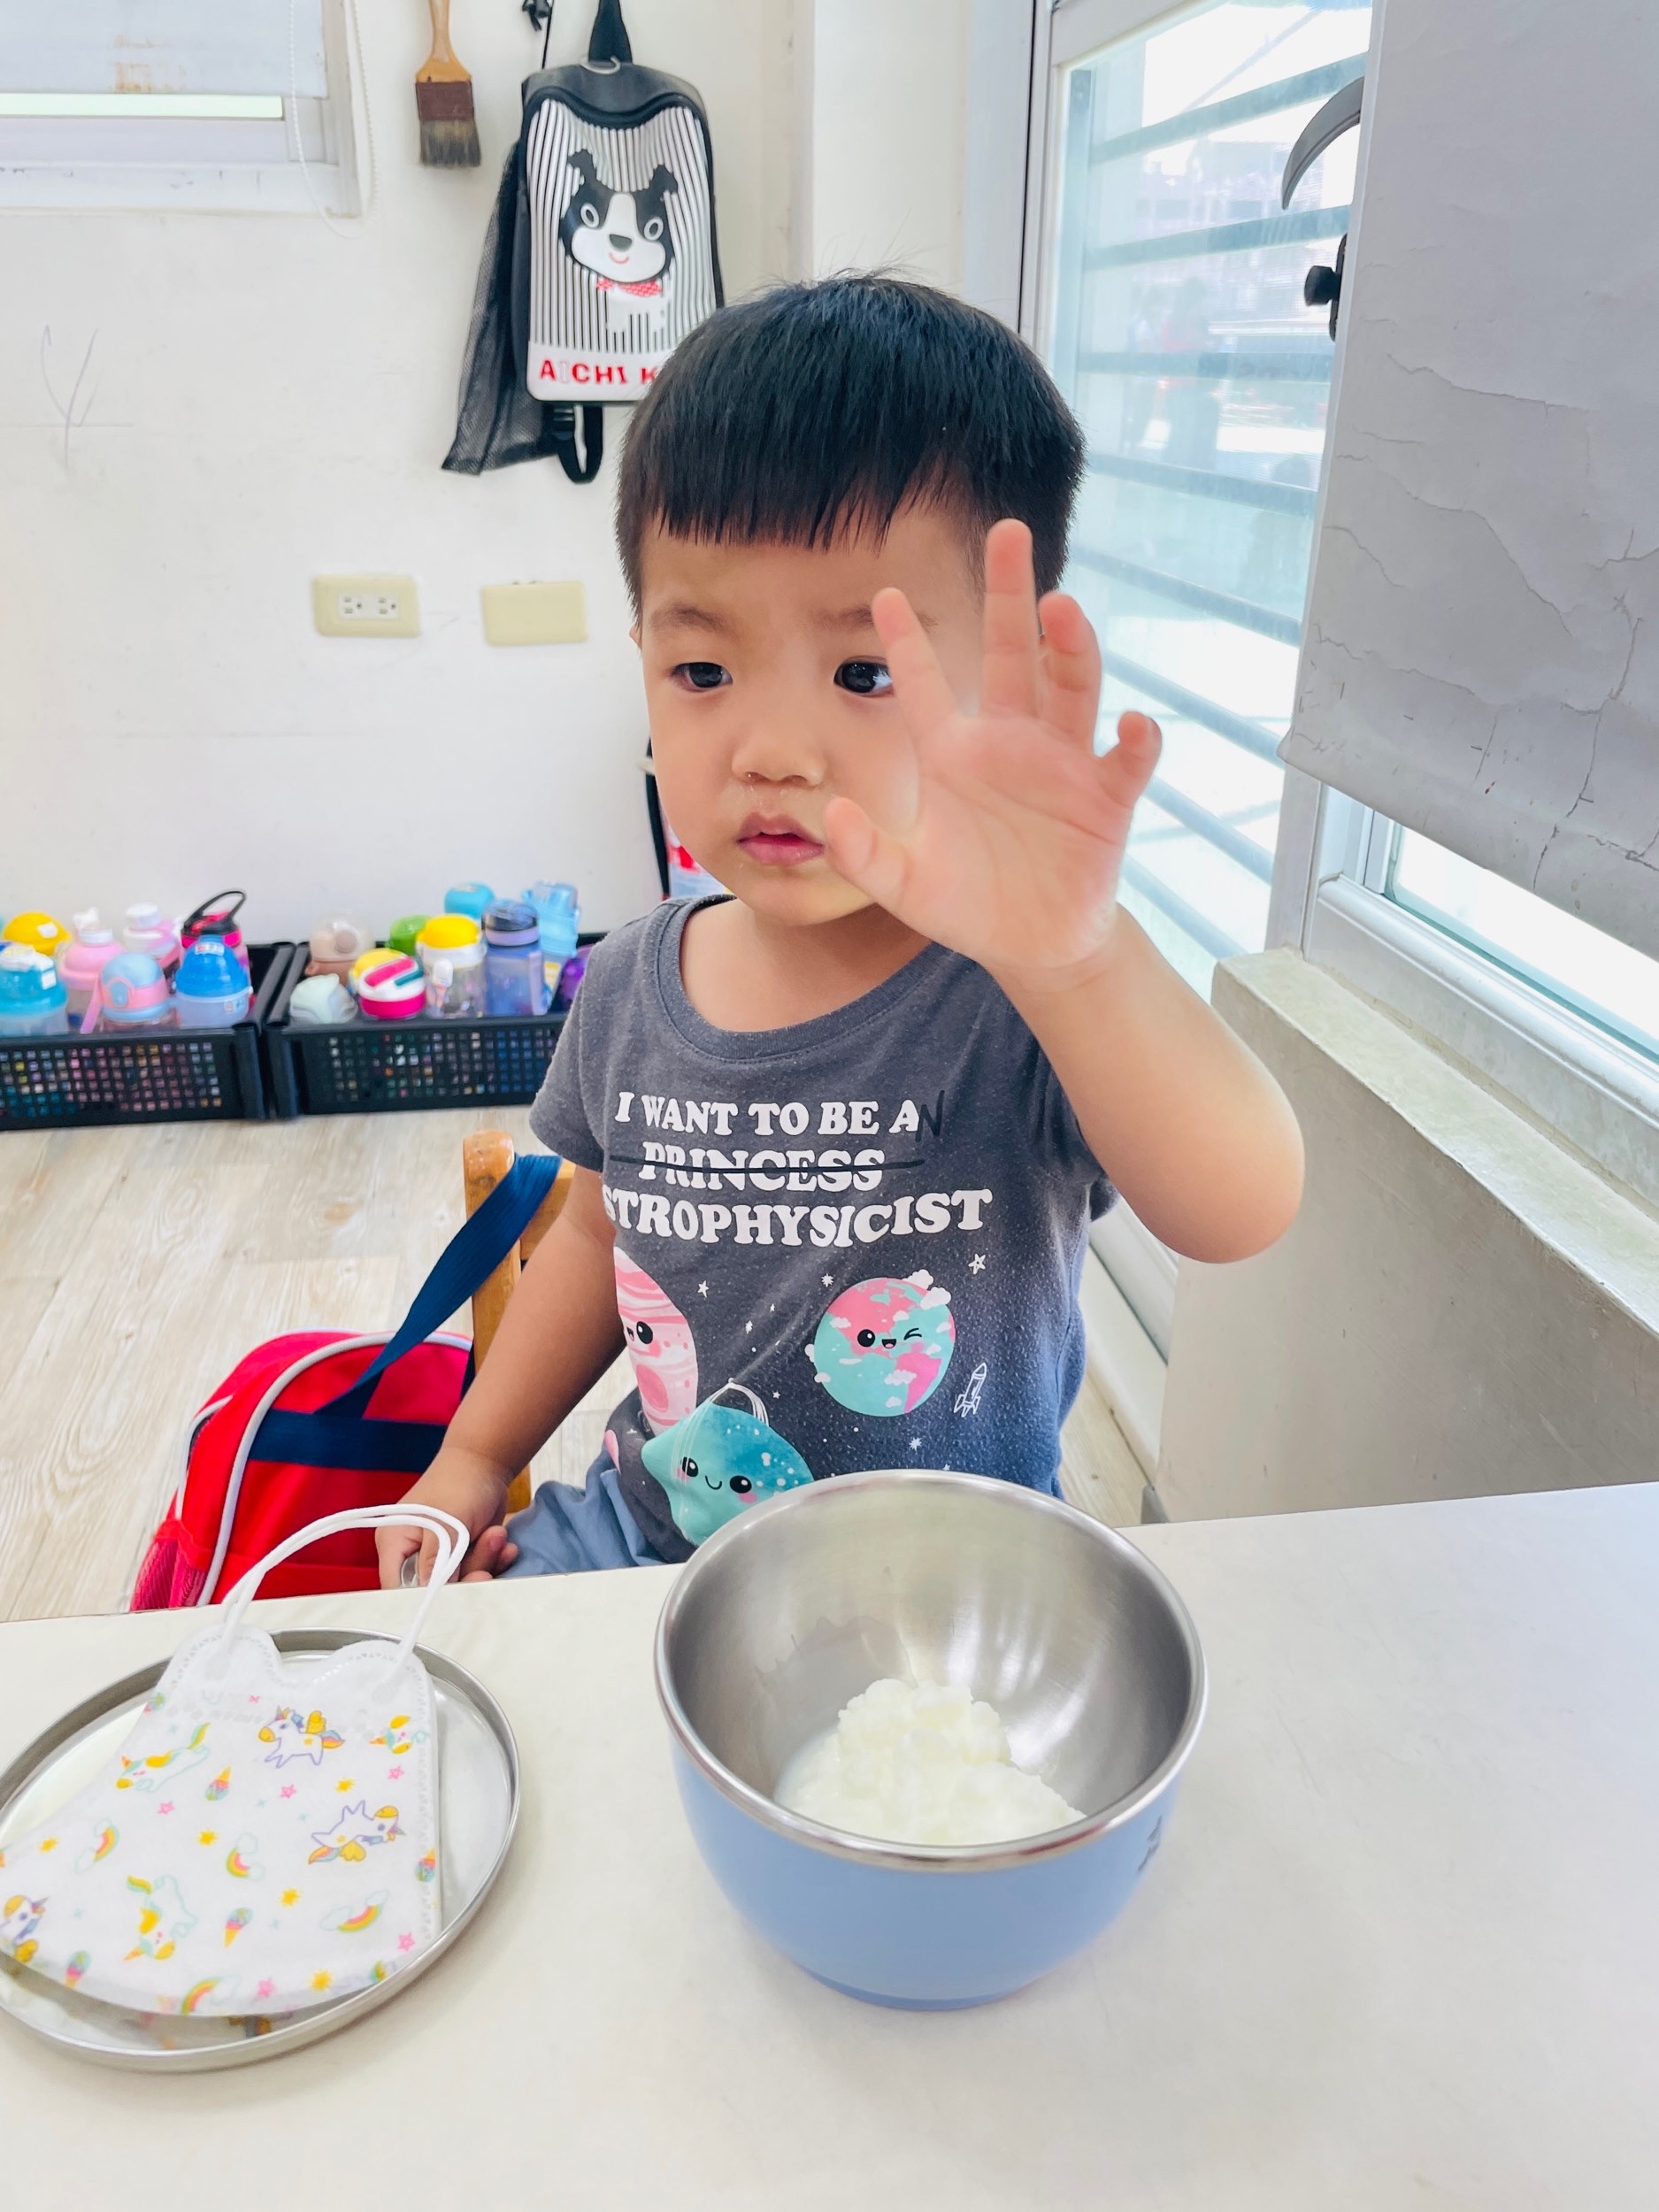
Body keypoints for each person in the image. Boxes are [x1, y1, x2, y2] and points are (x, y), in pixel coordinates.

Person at [378, 275, 1303, 1589]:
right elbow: (596, 1237)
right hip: (652, 1540)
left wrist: (1082, 962)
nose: (770, 750)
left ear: (1006, 677)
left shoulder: (1023, 994)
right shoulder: (633, 982)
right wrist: (473, 1459)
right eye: (703, 670)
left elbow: (1242, 1209)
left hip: (951, 1578)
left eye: (865, 673)